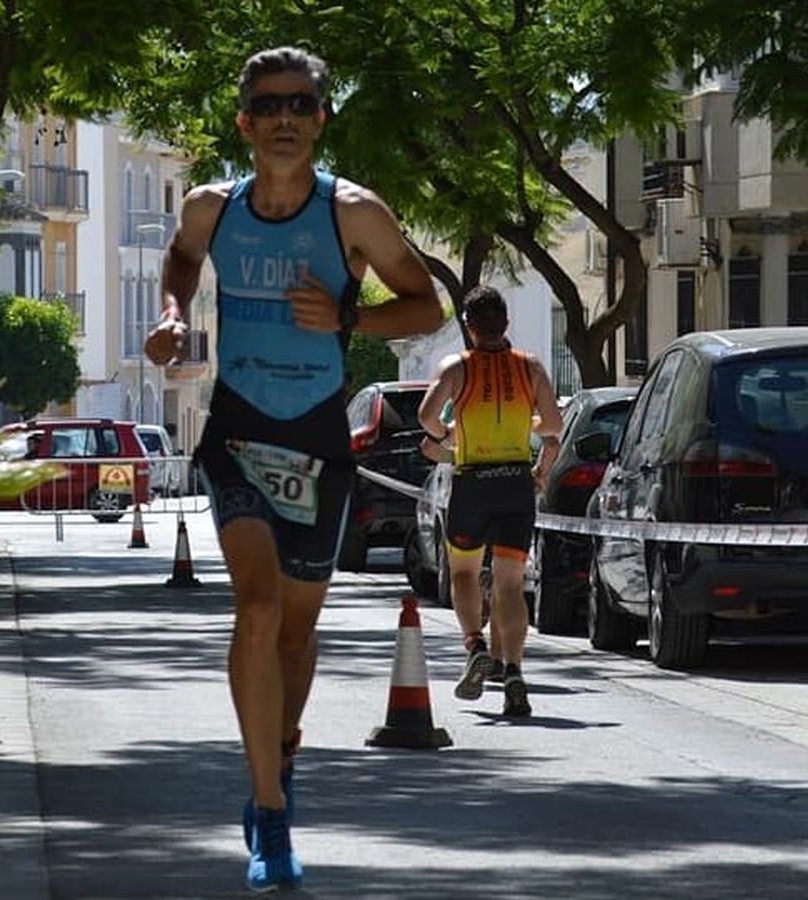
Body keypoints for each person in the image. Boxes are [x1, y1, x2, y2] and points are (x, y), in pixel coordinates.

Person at [143, 46, 443, 893]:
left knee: (298, 635)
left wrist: (348, 313)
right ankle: (269, 814)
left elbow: (425, 305)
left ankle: (280, 749)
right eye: (269, 105)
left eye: (301, 104)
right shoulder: (214, 207)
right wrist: (171, 317)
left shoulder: (354, 214)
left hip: (317, 440)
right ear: (244, 123)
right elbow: (179, 259)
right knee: (259, 605)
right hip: (237, 431)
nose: (284, 117)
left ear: (321, 119)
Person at [416, 286, 563, 719]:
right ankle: (514, 670)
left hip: (472, 482)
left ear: (468, 324)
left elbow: (427, 417)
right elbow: (553, 424)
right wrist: (525, 419)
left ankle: (476, 646)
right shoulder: (530, 367)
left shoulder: (456, 367)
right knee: (511, 585)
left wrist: (445, 436)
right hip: (516, 482)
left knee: (462, 571)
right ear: (507, 324)